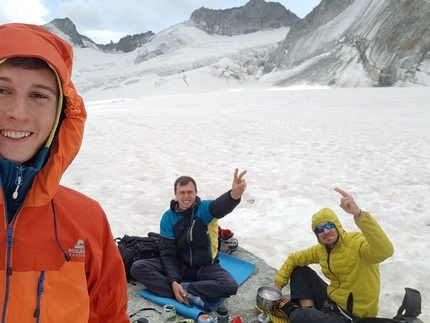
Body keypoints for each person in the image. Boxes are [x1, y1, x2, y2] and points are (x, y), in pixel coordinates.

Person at [0, 23, 129, 322]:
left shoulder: (88, 220)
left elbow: (109, 315)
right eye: (2, 89)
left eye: (39, 95)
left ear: (62, 113)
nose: (18, 112)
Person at [131, 169, 247, 310]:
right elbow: (168, 254)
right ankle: (178, 291)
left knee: (229, 285)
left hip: (205, 266)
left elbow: (219, 206)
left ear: (196, 192)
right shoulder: (168, 218)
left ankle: (184, 290)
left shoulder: (203, 210)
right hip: (180, 265)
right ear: (176, 194)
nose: (186, 196)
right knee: (138, 267)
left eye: (190, 192)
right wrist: (173, 280)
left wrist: (233, 195)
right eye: (182, 192)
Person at [273, 188, 394, 323]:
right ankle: (309, 310)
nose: (325, 231)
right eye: (319, 229)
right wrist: (277, 289)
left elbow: (385, 251)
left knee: (300, 317)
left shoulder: (357, 243)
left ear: (337, 226)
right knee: (299, 269)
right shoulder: (321, 250)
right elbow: (294, 258)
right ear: (317, 235)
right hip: (332, 303)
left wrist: (359, 214)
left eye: (329, 225)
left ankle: (297, 311)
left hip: (353, 317)